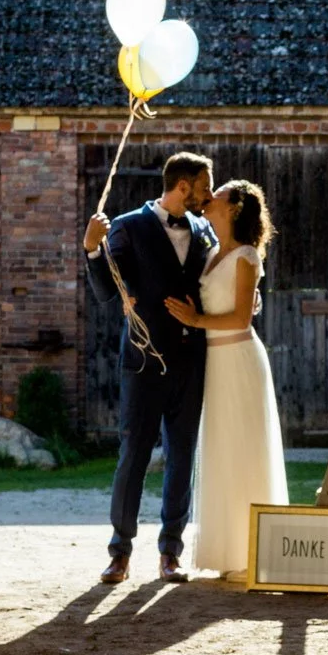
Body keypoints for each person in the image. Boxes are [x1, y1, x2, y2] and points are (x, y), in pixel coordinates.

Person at [83, 152, 215, 585]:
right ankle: (119, 552)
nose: (207, 195)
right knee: (134, 455)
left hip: (191, 361)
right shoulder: (128, 225)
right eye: (203, 186)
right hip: (142, 361)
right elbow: (106, 291)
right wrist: (91, 248)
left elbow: (216, 282)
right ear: (182, 186)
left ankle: (170, 553)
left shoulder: (203, 230)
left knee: (181, 457)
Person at [164, 179, 289, 581]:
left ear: (234, 206)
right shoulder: (213, 251)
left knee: (244, 449)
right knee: (220, 449)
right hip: (214, 362)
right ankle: (230, 551)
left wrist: (196, 320)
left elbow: (239, 317)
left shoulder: (248, 256)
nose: (207, 197)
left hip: (238, 357)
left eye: (216, 194)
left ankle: (253, 553)